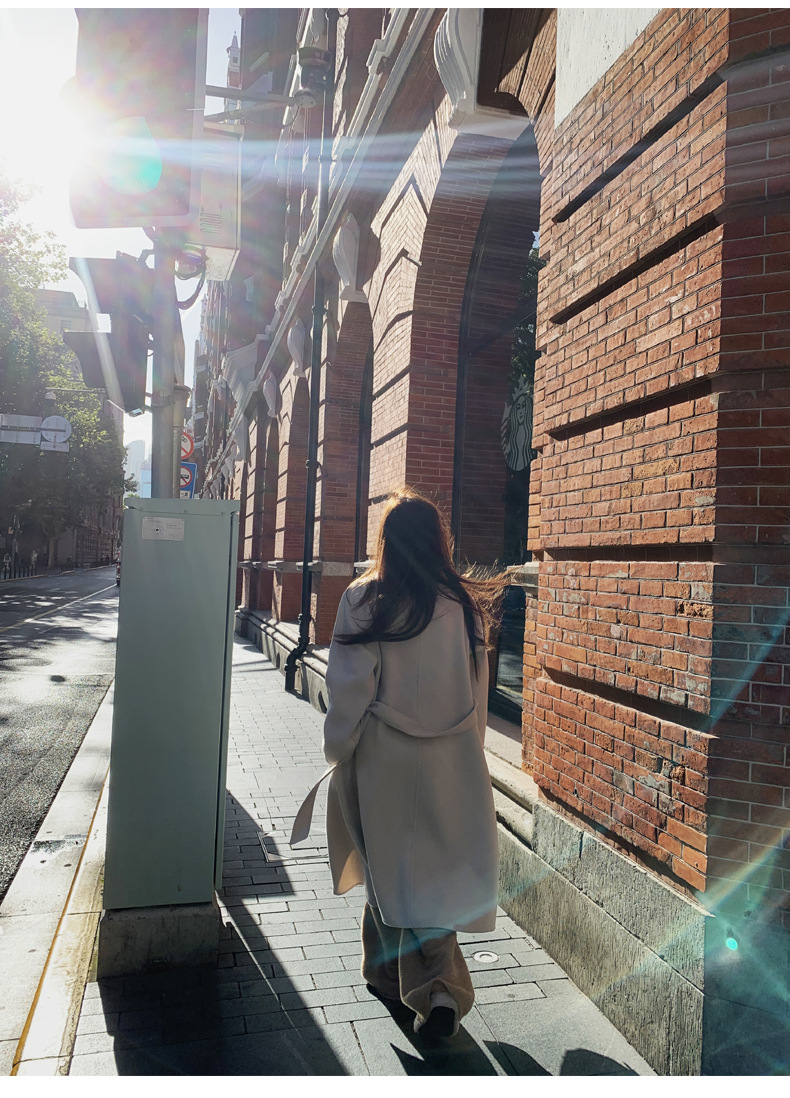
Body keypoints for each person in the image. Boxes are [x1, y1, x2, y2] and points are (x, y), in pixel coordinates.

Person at [295, 487, 502, 1040]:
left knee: (386, 866)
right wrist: (470, 751)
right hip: (451, 757)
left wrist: (338, 746)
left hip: (381, 758)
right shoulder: (462, 606)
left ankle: (434, 989)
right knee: (431, 874)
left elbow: (350, 689)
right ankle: (394, 976)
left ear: (385, 540)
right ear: (438, 541)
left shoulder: (365, 599)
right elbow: (477, 692)